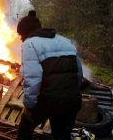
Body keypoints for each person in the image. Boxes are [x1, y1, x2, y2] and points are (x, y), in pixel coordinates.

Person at [16, 11, 83, 140]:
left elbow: (33, 80)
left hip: (49, 100)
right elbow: (78, 73)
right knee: (62, 136)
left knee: (25, 126)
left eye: (20, 35)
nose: (20, 38)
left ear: (25, 32)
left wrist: (29, 107)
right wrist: (71, 92)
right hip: (72, 100)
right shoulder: (65, 41)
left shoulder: (30, 44)